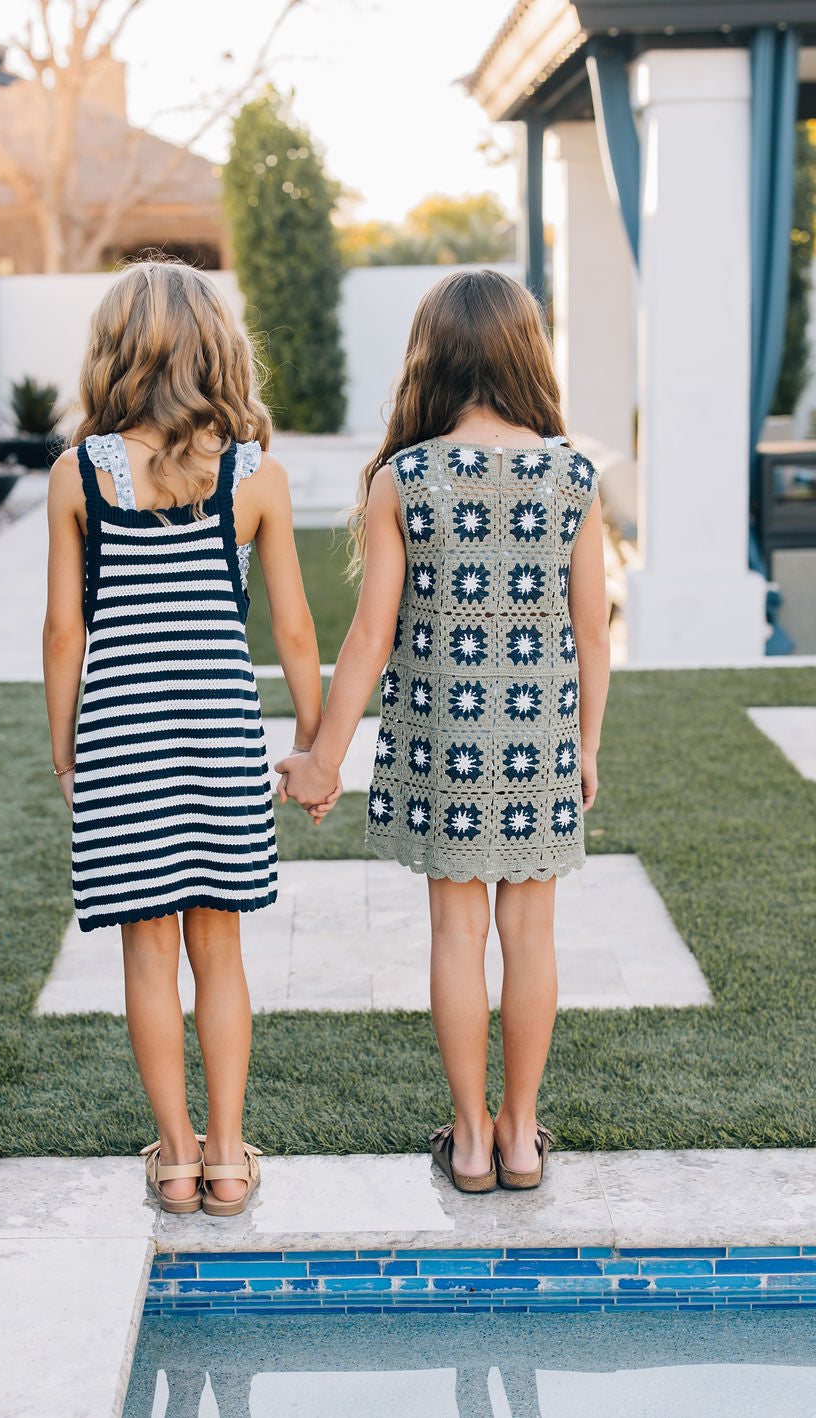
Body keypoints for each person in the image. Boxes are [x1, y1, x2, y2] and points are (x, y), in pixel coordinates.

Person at [277, 269, 610, 1192]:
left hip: (445, 746)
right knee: (531, 935)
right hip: (538, 736)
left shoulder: (404, 478)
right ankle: (522, 1133)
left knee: (456, 934)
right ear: (525, 356)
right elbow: (592, 632)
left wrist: (320, 761)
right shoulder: (571, 474)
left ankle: (468, 1141)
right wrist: (584, 746)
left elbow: (369, 640)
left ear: (429, 359)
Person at [43, 260, 329, 1216]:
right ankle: (230, 1154)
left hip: (123, 739)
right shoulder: (254, 477)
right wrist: (315, 738)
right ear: (219, 349)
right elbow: (292, 627)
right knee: (221, 953)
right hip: (218, 742)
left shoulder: (79, 477)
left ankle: (172, 1157)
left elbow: (63, 631)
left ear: (115, 354)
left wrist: (65, 745)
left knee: (146, 955)